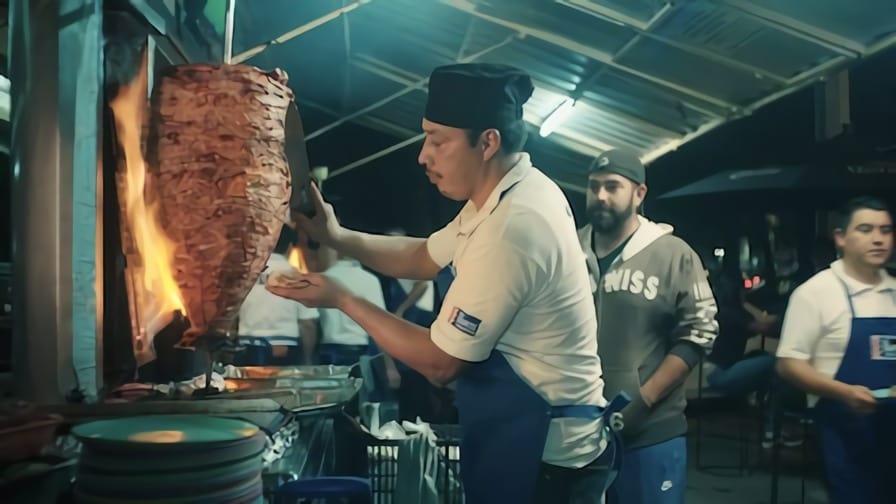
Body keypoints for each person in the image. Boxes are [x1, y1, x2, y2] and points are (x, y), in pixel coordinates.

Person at [269, 63, 622, 504]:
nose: (423, 155)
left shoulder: (514, 225)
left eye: (438, 140)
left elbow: (441, 363)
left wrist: (342, 297)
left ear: (488, 142)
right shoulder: (504, 195)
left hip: (548, 461)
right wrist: (337, 236)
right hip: (524, 439)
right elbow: (424, 256)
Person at [577, 148, 718, 504]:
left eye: (612, 186)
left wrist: (643, 400)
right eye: (594, 186)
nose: (601, 196)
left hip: (651, 433)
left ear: (639, 194)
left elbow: (699, 332)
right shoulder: (567, 250)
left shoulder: (673, 254)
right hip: (574, 434)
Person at [776, 196, 895, 504]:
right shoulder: (816, 293)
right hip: (846, 429)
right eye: (866, 229)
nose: (878, 239)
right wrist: (845, 393)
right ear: (840, 237)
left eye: (885, 230)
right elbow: (789, 363)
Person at [237, 227, 319, 365]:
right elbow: (308, 323)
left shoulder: (245, 275)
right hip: (286, 348)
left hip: (248, 347)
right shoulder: (298, 278)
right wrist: (308, 359)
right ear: (290, 247)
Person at [313, 243, 386, 366]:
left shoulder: (322, 278)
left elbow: (313, 319)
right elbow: (380, 323)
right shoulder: (369, 280)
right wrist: (388, 365)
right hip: (358, 350)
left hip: (326, 349)